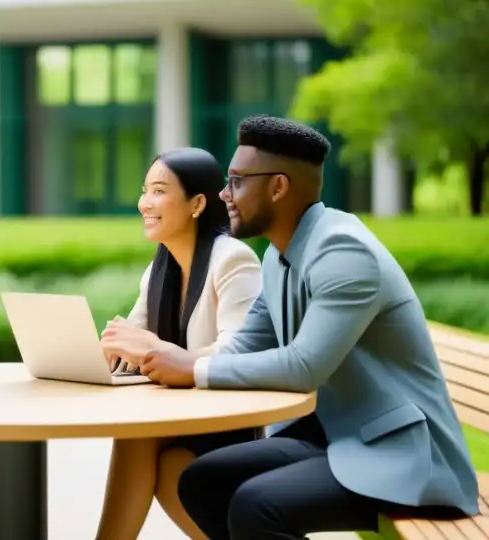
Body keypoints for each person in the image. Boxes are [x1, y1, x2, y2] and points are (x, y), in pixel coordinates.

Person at [124, 115, 479, 539]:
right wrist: (162, 359)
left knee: (257, 506)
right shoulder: (279, 256)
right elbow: (245, 344)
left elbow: (305, 365)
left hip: (405, 459)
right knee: (200, 483)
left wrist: (193, 369)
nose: (224, 194)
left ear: (277, 187)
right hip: (334, 439)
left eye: (236, 181)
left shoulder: (343, 251)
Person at [95, 147, 263, 540]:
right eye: (144, 191)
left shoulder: (233, 260)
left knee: (145, 438)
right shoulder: (160, 267)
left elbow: (241, 352)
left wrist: (159, 353)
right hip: (181, 423)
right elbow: (130, 342)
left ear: (198, 204)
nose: (143, 203)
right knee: (168, 465)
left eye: (157, 191)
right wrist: (104, 351)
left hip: (228, 419)